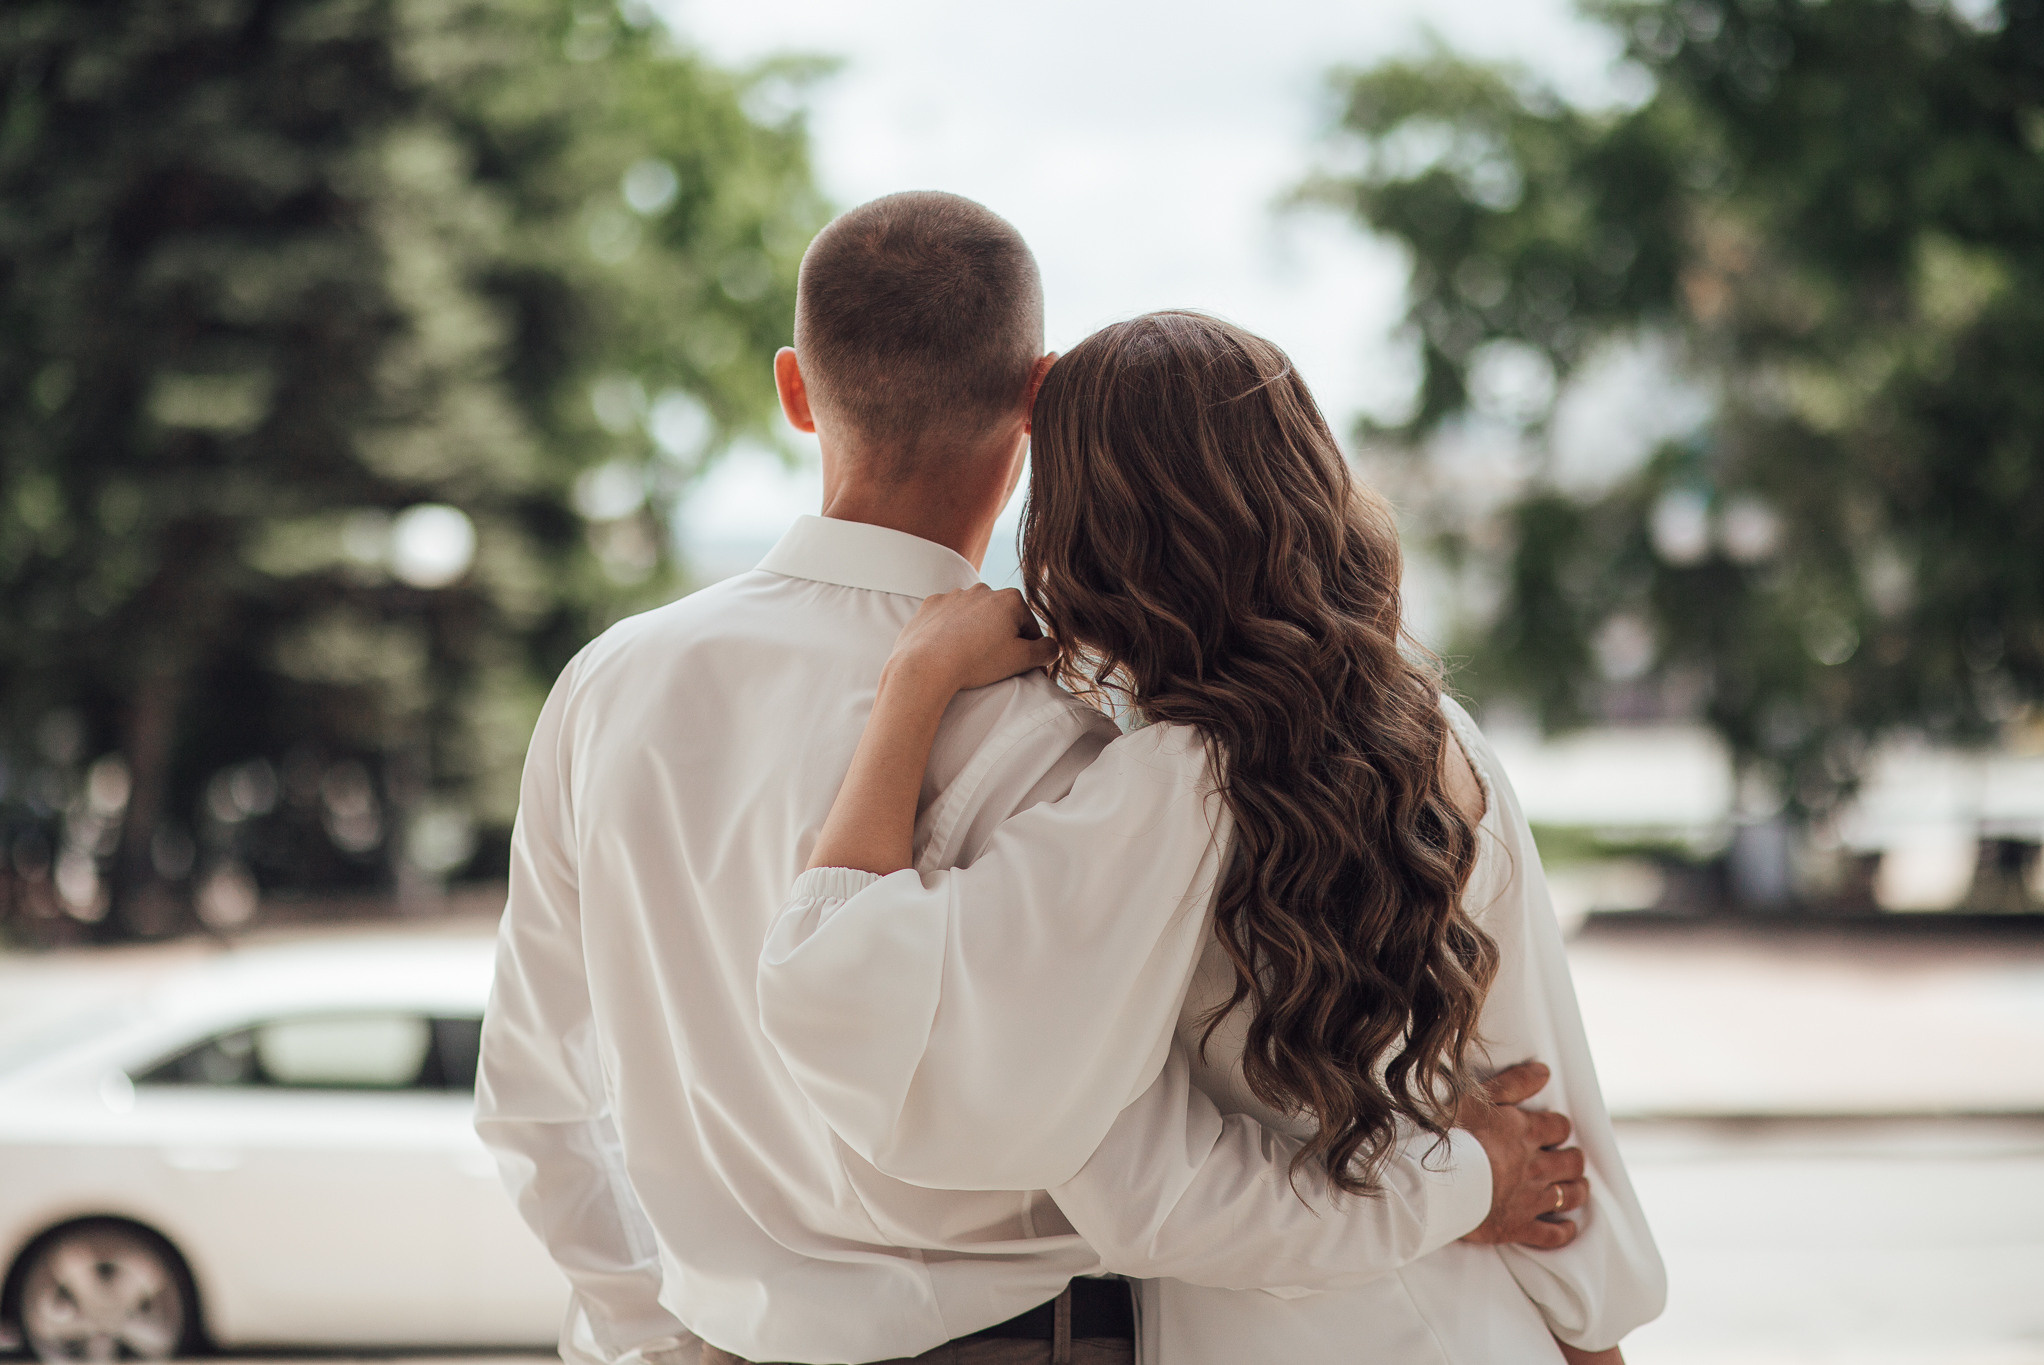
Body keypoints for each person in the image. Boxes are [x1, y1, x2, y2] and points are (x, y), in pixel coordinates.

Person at [476, 196, 1588, 1365]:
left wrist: (656, 1337)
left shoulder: (605, 688)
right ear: (1036, 397)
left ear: (794, 390)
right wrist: (1458, 1176)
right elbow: (1162, 1168)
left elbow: (535, 1100)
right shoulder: (1077, 740)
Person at [760, 311, 1666, 1363]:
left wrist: (910, 687)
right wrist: (1519, 1234)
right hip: (1491, 1332)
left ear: (1087, 528)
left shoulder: (1154, 791)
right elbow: (1547, 1114)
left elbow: (832, 979)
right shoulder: (1434, 735)